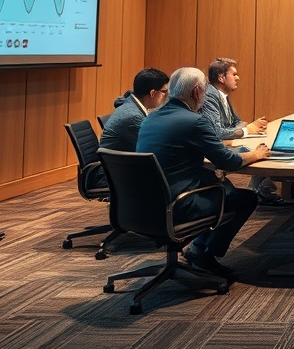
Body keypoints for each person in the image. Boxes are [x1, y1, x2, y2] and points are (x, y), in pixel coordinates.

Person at [136, 66, 270, 279]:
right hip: (178, 204)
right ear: (197, 92)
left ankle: (198, 247)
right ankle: (205, 254)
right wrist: (255, 154)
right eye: (205, 92)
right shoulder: (195, 121)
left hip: (141, 203)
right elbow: (229, 161)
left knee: (222, 185)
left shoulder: (150, 118)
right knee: (246, 198)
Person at [200, 57, 284, 206]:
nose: (238, 78)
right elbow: (217, 132)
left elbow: (237, 121)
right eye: (234, 74)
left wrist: (249, 126)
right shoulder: (210, 96)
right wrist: (247, 130)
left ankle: (260, 189)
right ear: (221, 78)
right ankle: (260, 191)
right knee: (258, 149)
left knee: (263, 146)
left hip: (224, 142)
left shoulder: (222, 95)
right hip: (212, 149)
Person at [99, 67, 169, 152]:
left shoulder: (130, 102)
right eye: (164, 92)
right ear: (152, 93)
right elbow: (156, 147)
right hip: (119, 164)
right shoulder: (134, 117)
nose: (166, 96)